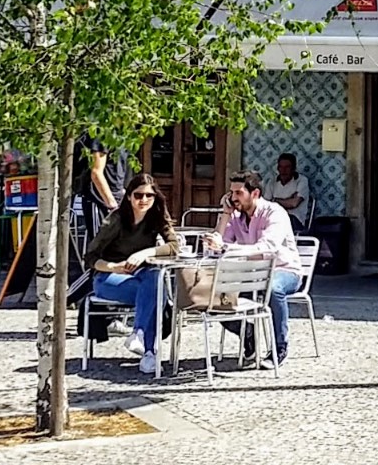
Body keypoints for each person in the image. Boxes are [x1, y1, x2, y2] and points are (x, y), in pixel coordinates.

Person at [82, 172, 180, 375]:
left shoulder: (157, 216)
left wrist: (147, 252)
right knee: (156, 292)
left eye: (148, 196)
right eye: (138, 195)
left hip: (142, 277)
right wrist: (113, 266)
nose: (143, 200)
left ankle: (140, 336)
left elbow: (174, 246)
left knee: (154, 280)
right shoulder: (116, 220)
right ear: (128, 196)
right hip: (108, 278)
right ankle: (149, 352)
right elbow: (90, 257)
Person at [204, 171, 302, 368]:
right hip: (251, 275)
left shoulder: (275, 213)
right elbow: (214, 248)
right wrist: (225, 216)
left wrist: (225, 248)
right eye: (231, 193)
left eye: (238, 193)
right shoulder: (235, 216)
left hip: (285, 270)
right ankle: (247, 333)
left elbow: (267, 247)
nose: (233, 198)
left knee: (273, 290)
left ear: (255, 193)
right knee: (213, 295)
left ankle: (279, 348)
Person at [74, 136, 129, 243]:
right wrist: (111, 203)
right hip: (100, 201)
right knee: (100, 247)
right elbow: (96, 173)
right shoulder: (103, 135)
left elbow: (117, 171)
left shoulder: (123, 136)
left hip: (117, 199)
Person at [261, 152, 312, 234]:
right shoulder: (272, 182)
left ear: (294, 168)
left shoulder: (301, 180)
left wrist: (275, 200)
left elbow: (294, 204)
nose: (283, 170)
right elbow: (266, 205)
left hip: (295, 221)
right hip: (274, 218)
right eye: (281, 167)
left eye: (287, 167)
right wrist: (288, 200)